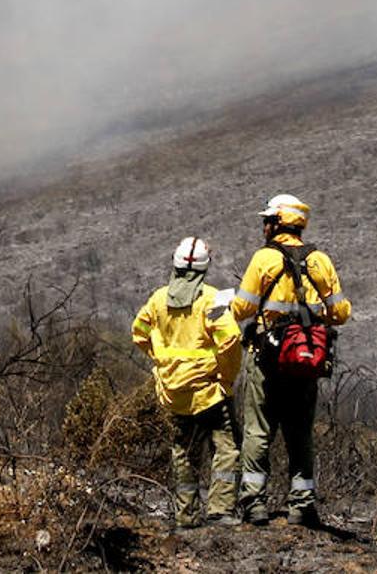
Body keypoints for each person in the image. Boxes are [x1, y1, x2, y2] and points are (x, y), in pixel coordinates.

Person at [230, 194, 351, 527]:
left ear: (277, 223)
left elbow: (241, 309)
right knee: (300, 433)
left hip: (265, 359)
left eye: (266, 220)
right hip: (304, 360)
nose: (263, 226)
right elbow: (341, 312)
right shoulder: (320, 261)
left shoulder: (264, 260)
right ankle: (302, 507)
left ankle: (254, 504)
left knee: (258, 431)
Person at [131, 237, 243, 528]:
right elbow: (230, 339)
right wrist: (226, 377)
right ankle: (219, 511)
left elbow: (139, 332)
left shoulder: (158, 299)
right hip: (210, 392)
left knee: (183, 453)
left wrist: (164, 362)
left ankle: (186, 517)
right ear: (205, 268)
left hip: (173, 393)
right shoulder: (213, 299)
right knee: (226, 448)